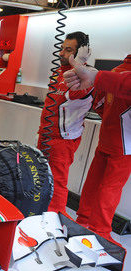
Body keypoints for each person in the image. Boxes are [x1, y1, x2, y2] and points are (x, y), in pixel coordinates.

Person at [65, 54, 131, 244]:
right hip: (126, 143)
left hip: (107, 136)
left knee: (94, 180)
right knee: (111, 187)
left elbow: (98, 102)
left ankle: (83, 220)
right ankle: (100, 230)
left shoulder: (115, 72)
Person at [36, 31, 93, 214]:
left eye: (68, 50)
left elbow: (77, 94)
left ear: (80, 52)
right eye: (62, 48)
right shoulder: (57, 73)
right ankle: (39, 213)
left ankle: (56, 221)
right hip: (45, 135)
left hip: (63, 140)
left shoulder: (85, 77)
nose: (62, 53)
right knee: (41, 177)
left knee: (57, 182)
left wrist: (80, 65)